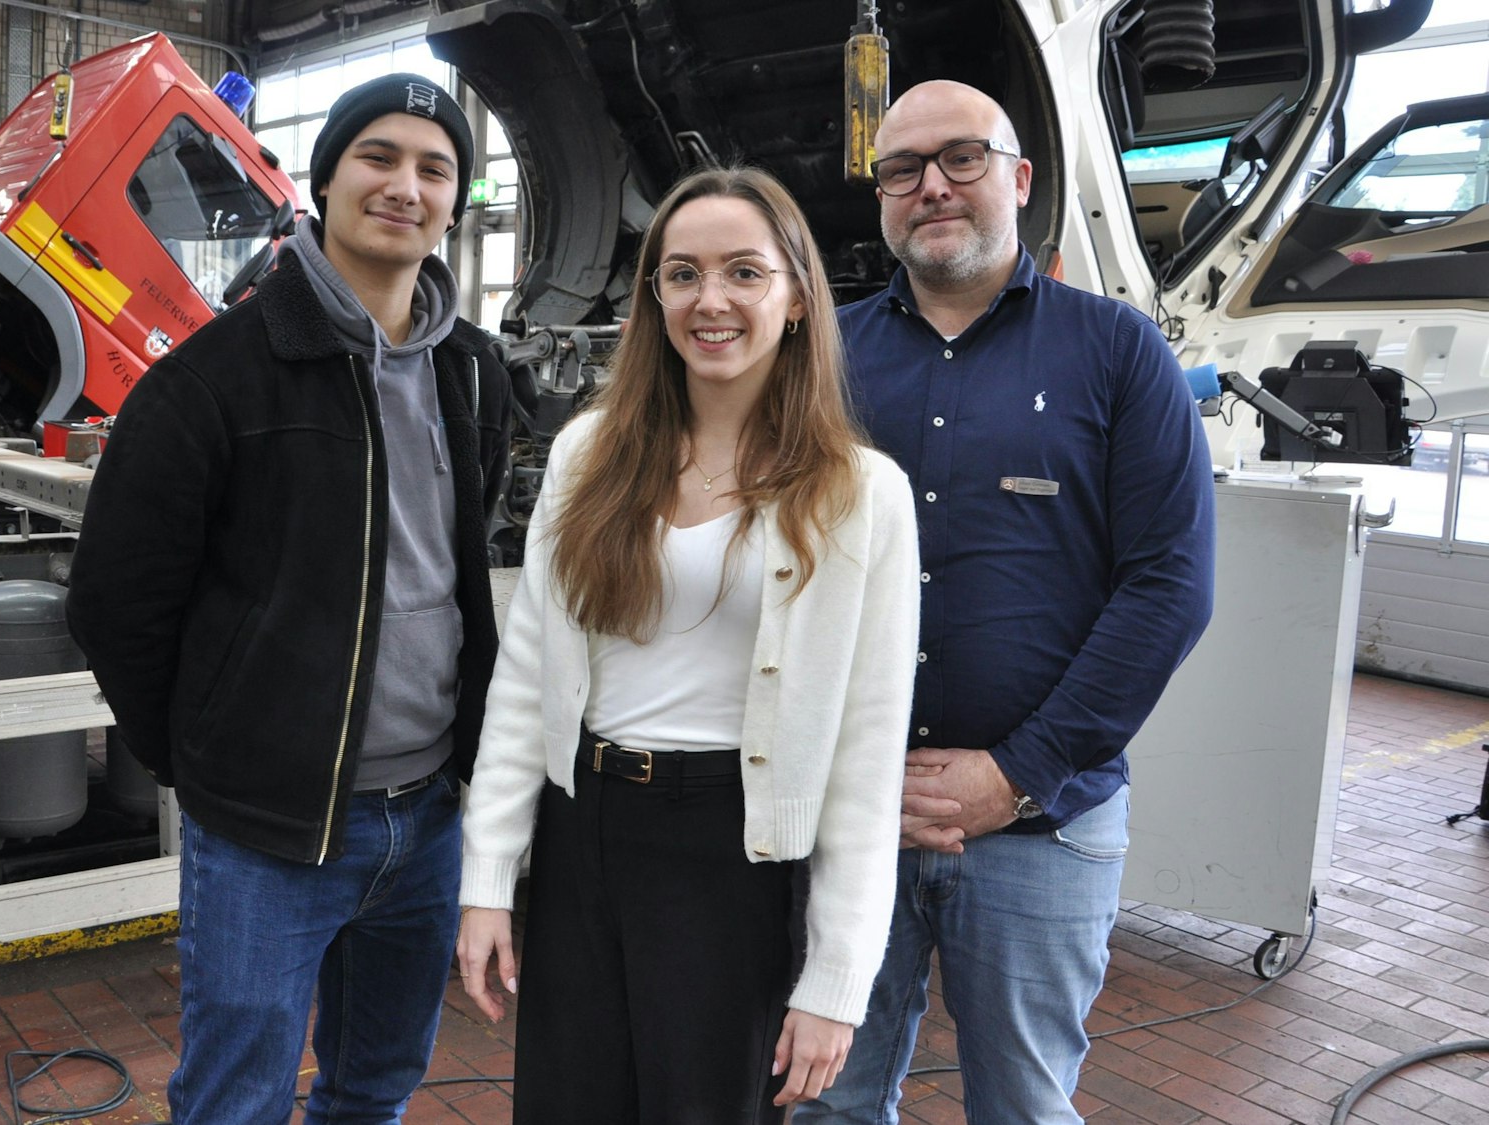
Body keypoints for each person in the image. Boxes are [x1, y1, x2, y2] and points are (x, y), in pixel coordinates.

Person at [66, 73, 517, 1124]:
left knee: (376, 1084)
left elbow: (455, 566)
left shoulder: (475, 373)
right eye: (378, 157)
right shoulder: (214, 377)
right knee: (236, 1100)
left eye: (433, 167)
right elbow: (116, 602)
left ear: (455, 199)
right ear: (324, 179)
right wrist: (207, 756)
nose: (404, 185)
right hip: (269, 833)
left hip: (428, 820)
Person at [454, 166, 922, 1123]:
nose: (711, 300)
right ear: (653, 296)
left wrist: (837, 974)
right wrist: (488, 880)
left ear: (795, 298)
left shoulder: (859, 494)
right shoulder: (591, 455)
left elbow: (867, 754)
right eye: (682, 274)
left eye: (744, 272)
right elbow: (528, 678)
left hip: (734, 855)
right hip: (585, 831)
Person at [792, 81, 1217, 1124]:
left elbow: (1169, 585)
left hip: (1041, 826)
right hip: (857, 820)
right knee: (828, 1104)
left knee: (1022, 1109)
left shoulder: (1117, 352)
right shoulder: (822, 359)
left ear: (1018, 181)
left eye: (961, 158)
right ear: (881, 199)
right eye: (900, 170)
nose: (930, 185)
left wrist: (1016, 773)